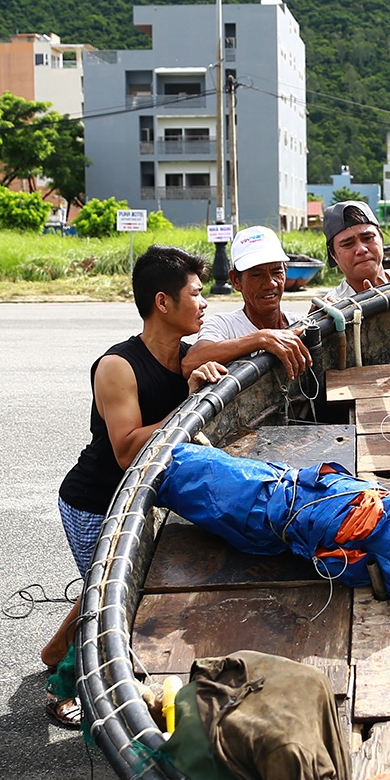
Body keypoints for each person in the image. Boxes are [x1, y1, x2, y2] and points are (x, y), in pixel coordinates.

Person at [49, 244, 229, 725]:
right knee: (114, 607)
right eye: (196, 293)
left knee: (105, 587)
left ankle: (53, 651)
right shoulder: (118, 366)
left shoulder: (187, 357)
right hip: (95, 503)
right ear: (163, 302)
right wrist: (189, 404)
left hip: (143, 498)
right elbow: (127, 449)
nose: (205, 302)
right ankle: (64, 689)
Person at [187, 225, 313, 378]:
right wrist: (262, 339)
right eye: (257, 275)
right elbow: (190, 363)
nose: (270, 283)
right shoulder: (224, 326)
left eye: (276, 271)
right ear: (236, 280)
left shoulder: (299, 324)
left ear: (285, 272)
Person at [322, 200, 390, 302]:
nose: (361, 249)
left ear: (381, 238)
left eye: (368, 238)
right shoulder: (333, 306)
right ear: (333, 255)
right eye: (348, 244)